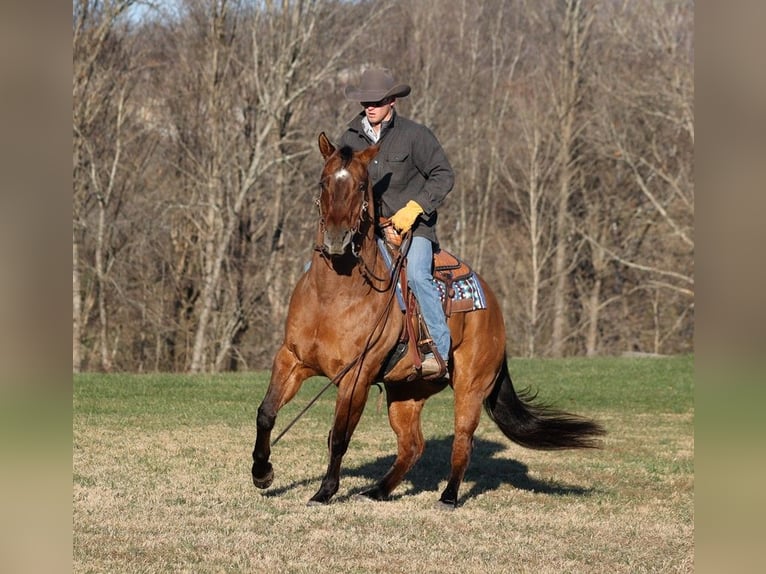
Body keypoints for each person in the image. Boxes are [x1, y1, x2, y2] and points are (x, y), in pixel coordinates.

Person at [340, 67, 454, 377]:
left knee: (416, 276)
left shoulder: (415, 136)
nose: (370, 107)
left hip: (414, 228)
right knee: (321, 271)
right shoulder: (349, 138)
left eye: (376, 101)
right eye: (365, 102)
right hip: (369, 231)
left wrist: (415, 208)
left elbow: (444, 175)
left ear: (392, 100)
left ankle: (440, 354)